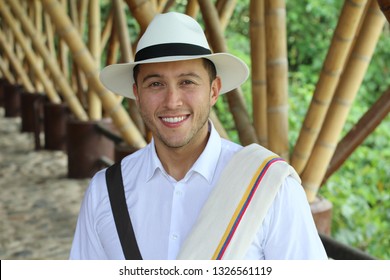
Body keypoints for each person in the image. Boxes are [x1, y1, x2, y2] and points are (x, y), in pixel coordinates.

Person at [69, 12, 327, 260]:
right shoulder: (105, 191)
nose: (172, 101)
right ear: (137, 94)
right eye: (156, 84)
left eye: (187, 82)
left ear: (214, 91)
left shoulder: (270, 186)